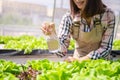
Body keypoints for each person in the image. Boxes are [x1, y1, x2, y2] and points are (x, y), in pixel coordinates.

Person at [41, 0, 115, 62]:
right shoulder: (69, 17)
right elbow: (61, 52)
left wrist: (82, 60)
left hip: (101, 64)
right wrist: (52, 35)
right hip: (77, 63)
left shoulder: (108, 15)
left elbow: (106, 48)